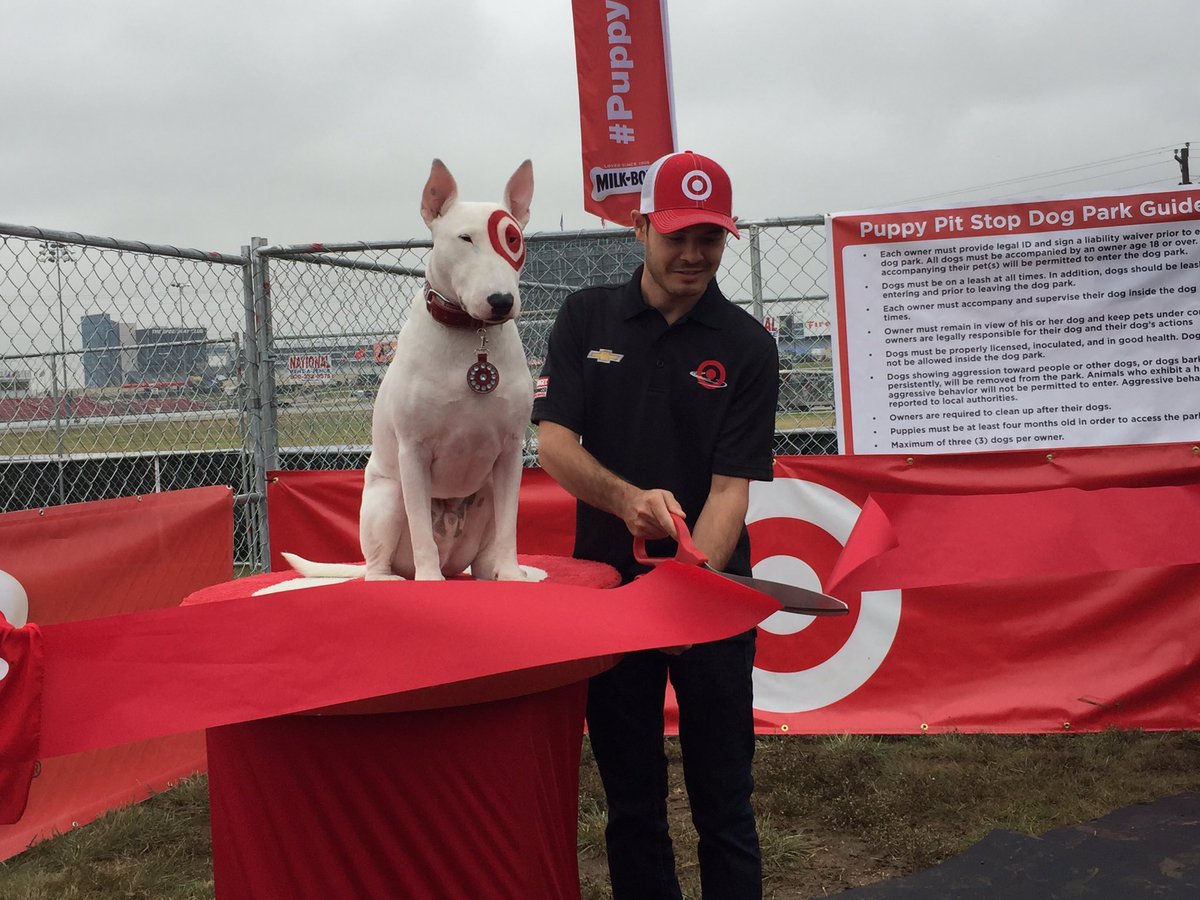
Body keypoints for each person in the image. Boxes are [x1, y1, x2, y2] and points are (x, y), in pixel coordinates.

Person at [532, 150, 779, 899]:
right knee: (632, 806)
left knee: (725, 806)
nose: (694, 254)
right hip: (610, 600)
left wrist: (688, 583)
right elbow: (554, 446)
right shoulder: (586, 317)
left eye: (710, 237)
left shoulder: (748, 346)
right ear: (640, 227)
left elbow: (732, 491)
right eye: (677, 235)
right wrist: (626, 501)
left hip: (709, 599)